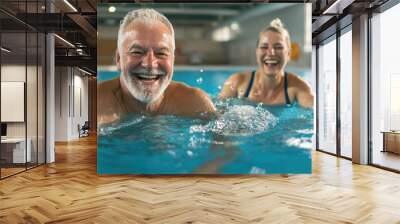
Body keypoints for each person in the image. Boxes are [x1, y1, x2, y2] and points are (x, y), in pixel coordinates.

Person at [98, 8, 216, 125]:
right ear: (118, 59)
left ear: (172, 60)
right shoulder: (94, 106)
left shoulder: (195, 104)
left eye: (161, 53)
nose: (149, 64)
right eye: (137, 52)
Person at [219, 19, 314, 108]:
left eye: (278, 47)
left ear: (288, 54)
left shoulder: (300, 87)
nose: (271, 52)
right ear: (257, 52)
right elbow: (216, 116)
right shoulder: (237, 82)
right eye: (264, 47)